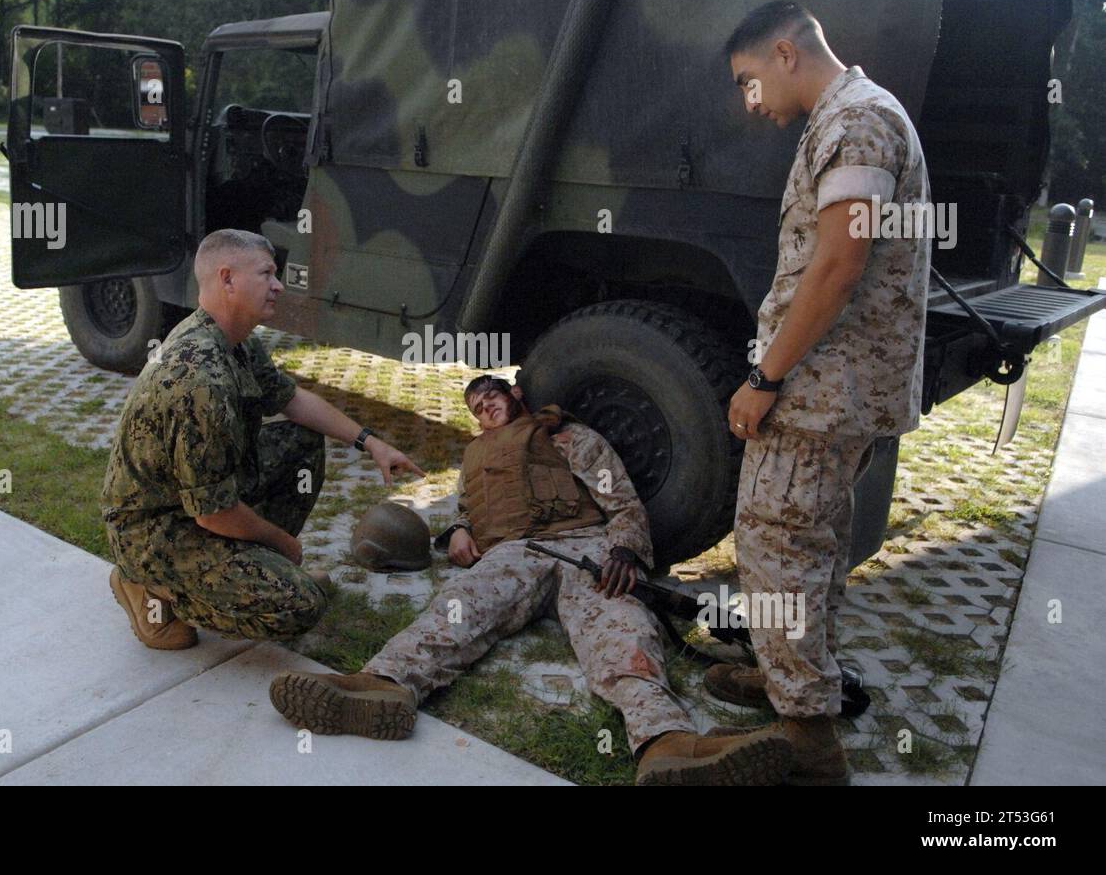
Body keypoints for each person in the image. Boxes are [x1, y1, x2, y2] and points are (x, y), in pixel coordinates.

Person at [269, 375, 795, 786]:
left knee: (623, 629)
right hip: (515, 554)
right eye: (476, 407)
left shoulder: (566, 437)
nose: (485, 409)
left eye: (491, 397)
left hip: (586, 546)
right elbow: (468, 507)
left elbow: (622, 501)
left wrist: (625, 550)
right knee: (459, 606)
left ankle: (666, 743)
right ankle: (384, 685)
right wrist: (459, 529)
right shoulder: (476, 457)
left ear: (515, 394)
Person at [717, 2, 931, 784]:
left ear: (785, 52)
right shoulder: (852, 114)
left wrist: (764, 377)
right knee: (815, 547)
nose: (750, 102)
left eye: (748, 80)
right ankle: (797, 676)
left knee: (774, 544)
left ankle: (807, 739)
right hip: (842, 387)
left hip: (820, 390)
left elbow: (840, 263)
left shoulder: (857, 121)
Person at [101, 228, 423, 649]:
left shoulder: (233, 341)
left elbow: (292, 400)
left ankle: (258, 569)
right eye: (266, 274)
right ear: (227, 279)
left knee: (301, 441)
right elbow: (213, 515)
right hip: (153, 532)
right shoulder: (200, 379)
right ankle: (152, 589)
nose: (278, 285)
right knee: (299, 606)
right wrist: (282, 542)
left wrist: (371, 442)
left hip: (192, 504)